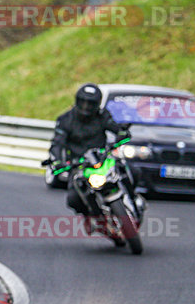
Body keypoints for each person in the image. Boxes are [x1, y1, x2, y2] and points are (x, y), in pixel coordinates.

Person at [46, 83, 143, 217]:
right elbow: (57, 143)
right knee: (73, 199)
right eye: (83, 102)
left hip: (103, 158)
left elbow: (114, 126)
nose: (86, 107)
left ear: (97, 104)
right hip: (79, 164)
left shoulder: (102, 115)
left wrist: (122, 132)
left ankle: (133, 198)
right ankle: (91, 215)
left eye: (90, 103)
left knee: (133, 170)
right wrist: (58, 161)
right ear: (77, 101)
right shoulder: (65, 120)